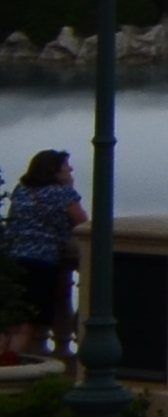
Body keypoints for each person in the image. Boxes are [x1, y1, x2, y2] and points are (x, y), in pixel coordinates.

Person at [3, 149, 79, 359]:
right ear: (54, 171)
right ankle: (10, 371)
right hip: (41, 263)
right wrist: (69, 190)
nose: (70, 169)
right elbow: (82, 222)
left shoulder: (21, 190)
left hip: (12, 259)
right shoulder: (63, 194)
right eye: (66, 167)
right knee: (28, 324)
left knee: (8, 323)